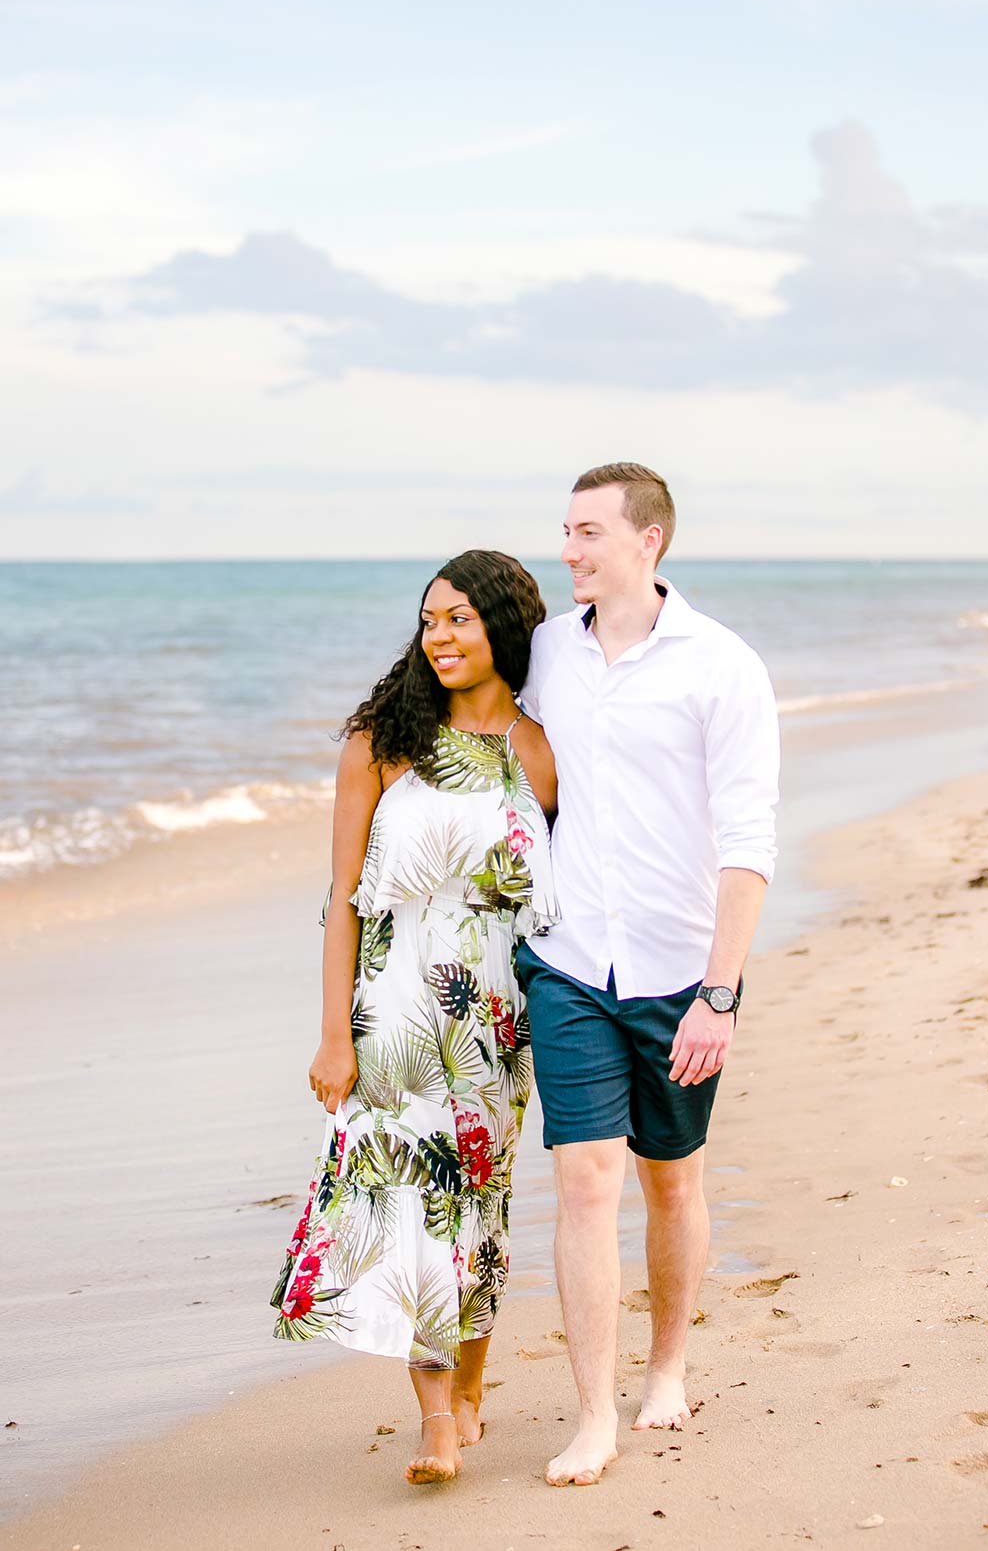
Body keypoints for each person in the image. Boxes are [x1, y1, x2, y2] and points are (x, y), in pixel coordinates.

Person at [516, 462, 780, 1487]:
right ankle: (592, 1415)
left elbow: (749, 840)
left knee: (674, 1181)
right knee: (586, 1180)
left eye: (587, 533)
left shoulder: (722, 666)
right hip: (571, 958)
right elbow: (492, 731)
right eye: (567, 531)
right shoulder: (547, 651)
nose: (570, 550)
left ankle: (667, 1366)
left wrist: (720, 991)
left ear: (647, 542)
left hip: (680, 969)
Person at [271, 549, 558, 1486]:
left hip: (495, 1021)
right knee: (411, 1211)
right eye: (431, 618)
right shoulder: (381, 740)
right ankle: (437, 1419)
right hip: (391, 1015)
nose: (440, 635)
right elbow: (344, 897)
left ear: (506, 628)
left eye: (461, 619)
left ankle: (470, 1391)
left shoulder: (542, 752)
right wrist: (331, 1034)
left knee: (477, 1209)